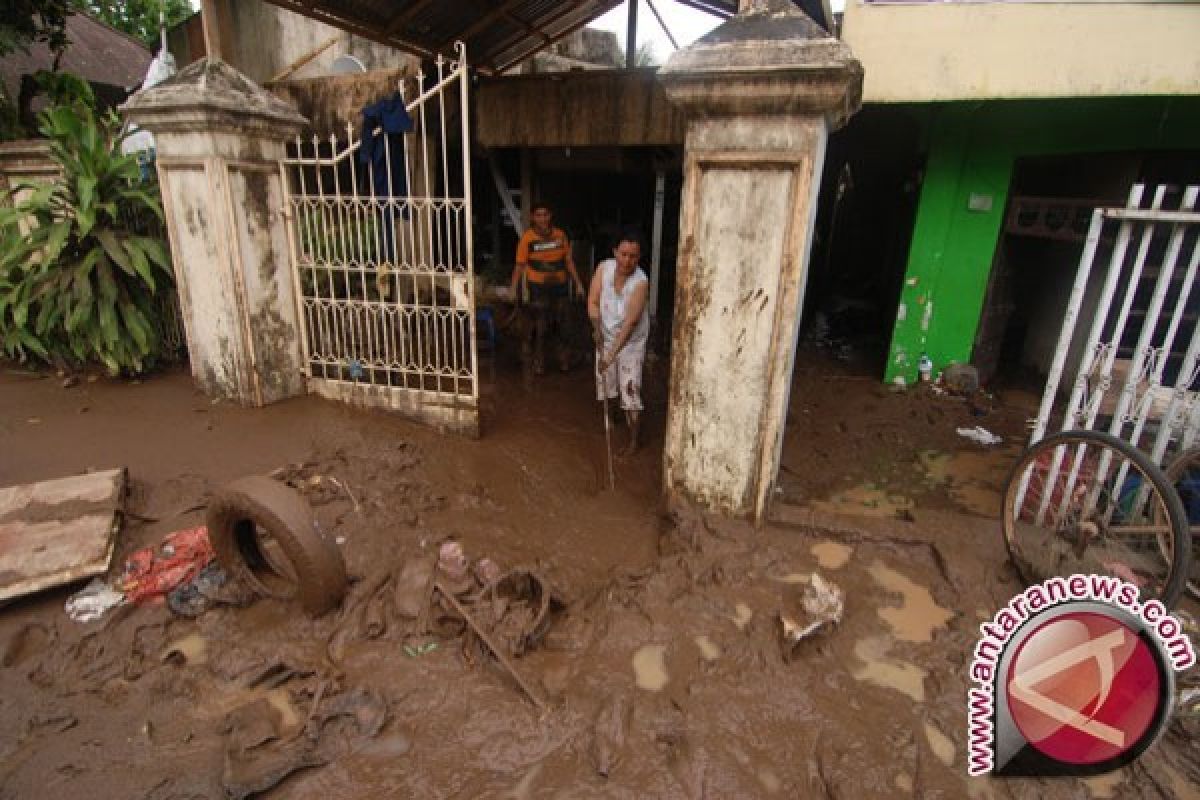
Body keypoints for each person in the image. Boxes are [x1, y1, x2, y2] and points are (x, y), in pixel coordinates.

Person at [589, 229, 650, 455]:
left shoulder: (640, 282)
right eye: (623, 254)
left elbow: (630, 324)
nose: (627, 260)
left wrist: (610, 354)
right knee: (607, 382)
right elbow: (593, 301)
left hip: (630, 342)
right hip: (605, 335)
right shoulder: (603, 269)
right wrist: (596, 329)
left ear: (639, 256)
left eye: (633, 256)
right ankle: (611, 417)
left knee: (630, 389)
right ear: (615, 252)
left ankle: (634, 441)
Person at [510, 203, 584, 375]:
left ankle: (564, 360)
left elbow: (568, 261)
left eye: (545, 214)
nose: (542, 219)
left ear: (550, 216)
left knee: (563, 325)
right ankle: (539, 363)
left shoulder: (560, 236)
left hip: (560, 287)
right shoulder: (527, 238)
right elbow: (520, 265)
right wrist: (513, 288)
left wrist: (579, 283)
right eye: (538, 215)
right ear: (532, 218)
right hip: (538, 288)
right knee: (540, 326)